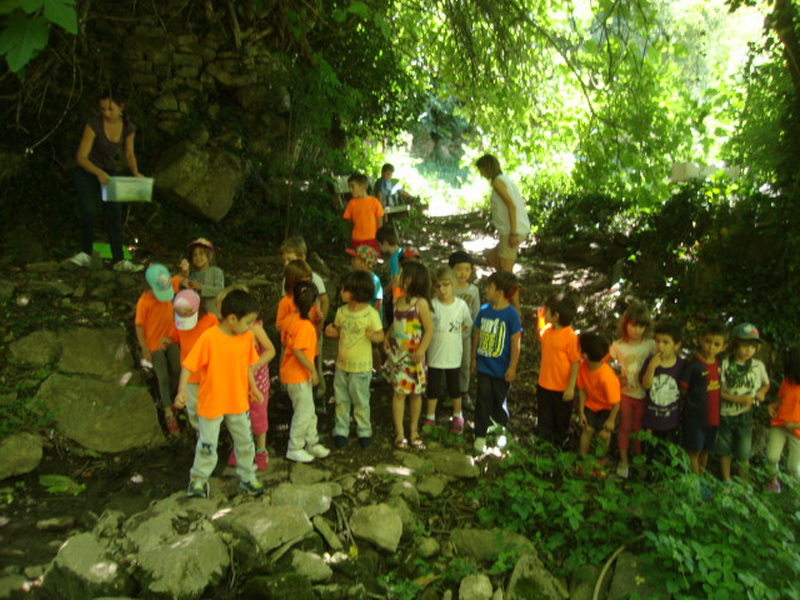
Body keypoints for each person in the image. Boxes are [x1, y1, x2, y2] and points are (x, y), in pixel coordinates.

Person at [174, 288, 266, 498]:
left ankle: (248, 477)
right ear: (232, 318)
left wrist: (253, 388)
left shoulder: (245, 337)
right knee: (207, 444)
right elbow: (188, 365)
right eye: (248, 321)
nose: (251, 326)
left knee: (245, 442)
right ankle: (198, 480)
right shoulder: (209, 338)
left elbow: (247, 365)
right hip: (212, 403)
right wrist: (182, 391)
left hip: (238, 402)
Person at [70, 90, 144, 273]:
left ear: (121, 107)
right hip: (86, 168)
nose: (106, 113)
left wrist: (136, 172)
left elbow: (129, 153)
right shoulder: (93, 124)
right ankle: (85, 253)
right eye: (102, 109)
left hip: (107, 169)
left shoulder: (128, 127)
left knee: (115, 212)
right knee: (89, 209)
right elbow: (81, 157)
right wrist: (97, 173)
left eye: (110, 109)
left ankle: (119, 260)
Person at [215, 285, 276, 472]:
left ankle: (261, 449)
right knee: (238, 417)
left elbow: (270, 350)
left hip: (257, 382)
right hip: (237, 383)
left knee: (258, 415)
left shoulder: (254, 329)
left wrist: (256, 364)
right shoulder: (224, 332)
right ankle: (241, 447)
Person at [325, 271, 384, 449]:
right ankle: (341, 430)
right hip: (342, 365)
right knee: (341, 399)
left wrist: (373, 336)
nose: (341, 292)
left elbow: (380, 335)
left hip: (361, 368)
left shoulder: (370, 314)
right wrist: (331, 332)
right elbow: (338, 331)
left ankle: (364, 431)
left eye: (345, 289)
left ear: (357, 292)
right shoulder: (341, 312)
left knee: (361, 401)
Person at [471, 271, 523, 453]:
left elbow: (516, 342)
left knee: (499, 400)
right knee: (482, 398)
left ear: (500, 292)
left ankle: (500, 430)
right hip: (484, 365)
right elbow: (477, 334)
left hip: (501, 368)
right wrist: (473, 358)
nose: (486, 290)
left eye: (489, 287)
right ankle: (480, 433)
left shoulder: (512, 315)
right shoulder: (484, 310)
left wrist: (512, 366)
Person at [384, 261, 434, 449]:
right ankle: (399, 432)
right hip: (398, 357)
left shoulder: (420, 304)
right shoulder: (398, 301)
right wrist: (387, 336)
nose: (398, 276)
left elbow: (429, 330)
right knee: (398, 393)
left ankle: (413, 429)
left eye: (402, 274)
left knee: (415, 394)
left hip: (414, 358)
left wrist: (420, 351)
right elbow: (396, 322)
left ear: (411, 279)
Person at [280, 281, 331, 463]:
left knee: (308, 410)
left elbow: (285, 343)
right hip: (298, 376)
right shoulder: (305, 326)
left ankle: (312, 441)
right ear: (314, 303)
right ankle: (295, 447)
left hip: (291, 374)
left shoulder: (289, 319)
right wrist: (313, 371)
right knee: (303, 413)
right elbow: (298, 351)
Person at [475, 154, 530, 312]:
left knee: (506, 272)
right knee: (492, 258)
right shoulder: (504, 179)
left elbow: (511, 206)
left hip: (511, 231)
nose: (481, 174)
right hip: (510, 230)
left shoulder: (498, 181)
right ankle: (508, 292)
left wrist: (513, 234)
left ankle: (516, 310)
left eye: (481, 170)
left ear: (487, 168)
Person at [717, 323, 769, 482]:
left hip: (745, 416)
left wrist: (761, 393)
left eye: (752, 346)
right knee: (724, 450)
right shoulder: (724, 364)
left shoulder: (758, 366)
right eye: (745, 345)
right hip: (725, 414)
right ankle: (726, 481)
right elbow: (717, 391)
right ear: (735, 345)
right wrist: (739, 399)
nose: (749, 350)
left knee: (744, 452)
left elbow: (766, 384)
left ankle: (743, 483)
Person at [280, 237, 330, 404]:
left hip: (311, 332)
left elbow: (324, 302)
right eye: (284, 260)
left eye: (290, 259)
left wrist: (319, 326)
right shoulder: (287, 280)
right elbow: (285, 310)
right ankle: (289, 395)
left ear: (302, 257)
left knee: (314, 361)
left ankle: (319, 394)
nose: (286, 263)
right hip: (292, 335)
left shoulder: (314, 278)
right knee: (291, 362)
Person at [609, 303, 656, 479]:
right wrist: (615, 379)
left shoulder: (651, 345)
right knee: (625, 427)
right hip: (625, 395)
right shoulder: (618, 345)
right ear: (625, 324)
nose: (637, 330)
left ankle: (639, 461)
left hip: (644, 396)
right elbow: (602, 363)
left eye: (641, 326)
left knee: (638, 429)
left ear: (647, 327)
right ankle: (623, 461)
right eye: (633, 325)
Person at [424, 267, 473, 434]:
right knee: (433, 387)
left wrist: (457, 332)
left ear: (453, 284)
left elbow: (468, 323)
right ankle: (430, 416)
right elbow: (426, 326)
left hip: (453, 354)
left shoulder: (461, 305)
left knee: (454, 387)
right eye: (438, 286)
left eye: (446, 285)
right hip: (435, 354)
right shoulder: (432, 305)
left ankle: (458, 416)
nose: (442, 289)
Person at [135, 263, 181, 435]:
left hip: (170, 339)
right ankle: (168, 411)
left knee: (178, 369)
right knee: (162, 375)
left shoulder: (167, 284)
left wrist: (184, 270)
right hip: (154, 345)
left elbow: (179, 279)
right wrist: (144, 347)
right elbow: (139, 326)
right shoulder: (144, 302)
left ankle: (166, 399)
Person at [680, 321, 727, 475]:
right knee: (694, 451)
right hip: (695, 418)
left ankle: (701, 477)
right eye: (708, 342)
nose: (711, 347)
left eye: (716, 344)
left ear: (723, 347)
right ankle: (695, 482)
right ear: (700, 340)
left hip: (713, 418)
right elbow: (683, 389)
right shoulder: (693, 364)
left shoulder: (719, 363)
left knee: (706, 450)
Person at [535, 292, 581, 449]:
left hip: (561, 388)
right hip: (544, 384)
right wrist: (540, 319)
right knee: (544, 416)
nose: (544, 312)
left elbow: (575, 362)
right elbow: (541, 335)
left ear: (555, 316)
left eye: (546, 310)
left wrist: (571, 386)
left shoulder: (570, 337)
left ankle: (559, 446)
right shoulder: (548, 330)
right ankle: (543, 446)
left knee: (561, 419)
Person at [172, 289, 219, 430]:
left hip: (208, 371)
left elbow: (218, 341)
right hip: (189, 375)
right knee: (192, 406)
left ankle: (211, 430)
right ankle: (199, 431)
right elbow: (175, 337)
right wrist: (167, 340)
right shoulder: (177, 323)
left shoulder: (210, 319)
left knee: (210, 403)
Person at [640, 320, 686, 455]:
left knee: (668, 455)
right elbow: (645, 385)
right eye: (657, 341)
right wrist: (652, 367)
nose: (660, 345)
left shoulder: (682, 365)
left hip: (671, 420)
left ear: (676, 345)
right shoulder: (650, 361)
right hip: (651, 420)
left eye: (665, 342)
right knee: (649, 454)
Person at [577, 333, 621, 465]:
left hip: (608, 409)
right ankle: (582, 460)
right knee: (587, 429)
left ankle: (600, 461)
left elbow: (616, 402)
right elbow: (582, 389)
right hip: (591, 405)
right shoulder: (583, 367)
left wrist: (611, 420)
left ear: (585, 355)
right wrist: (581, 412)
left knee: (604, 434)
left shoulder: (606, 377)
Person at [449, 251, 481, 410]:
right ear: (451, 270)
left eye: (467, 269)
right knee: (449, 363)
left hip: (466, 335)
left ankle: (463, 392)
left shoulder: (473, 290)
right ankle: (449, 392)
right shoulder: (449, 288)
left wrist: (476, 331)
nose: (463, 273)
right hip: (448, 335)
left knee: (465, 363)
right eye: (459, 269)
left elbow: (476, 313)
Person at [766, 347, 800, 492]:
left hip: (797, 431)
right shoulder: (787, 380)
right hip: (779, 424)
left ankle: (796, 494)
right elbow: (781, 399)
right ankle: (774, 484)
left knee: (793, 467)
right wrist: (771, 406)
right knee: (772, 457)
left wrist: (795, 425)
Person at [179, 238, 225, 317]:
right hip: (198, 317)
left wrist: (201, 287)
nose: (198, 257)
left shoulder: (216, 271)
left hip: (215, 315)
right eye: (195, 255)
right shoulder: (192, 276)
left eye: (201, 254)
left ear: (210, 255)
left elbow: (220, 290)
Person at [343, 173, 384, 252]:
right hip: (357, 239)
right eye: (349, 187)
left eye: (352, 186)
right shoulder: (352, 203)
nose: (350, 190)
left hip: (372, 239)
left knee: (371, 258)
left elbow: (379, 221)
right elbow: (348, 221)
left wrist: (379, 237)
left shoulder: (374, 202)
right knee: (358, 258)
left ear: (363, 187)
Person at [346, 245, 383, 316]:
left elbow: (378, 302)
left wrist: (372, 318)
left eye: (354, 259)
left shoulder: (374, 280)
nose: (352, 261)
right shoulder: (356, 277)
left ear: (363, 263)